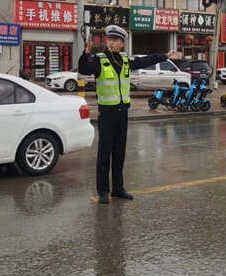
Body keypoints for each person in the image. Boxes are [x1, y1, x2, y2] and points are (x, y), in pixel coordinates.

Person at [78, 25, 182, 204]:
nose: (110, 43)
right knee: (104, 154)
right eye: (109, 39)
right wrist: (86, 53)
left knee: (119, 153)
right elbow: (84, 69)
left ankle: (118, 188)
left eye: (114, 40)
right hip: (107, 114)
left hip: (122, 113)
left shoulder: (125, 60)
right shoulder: (99, 60)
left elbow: (145, 61)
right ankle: (103, 190)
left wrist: (165, 56)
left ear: (122, 44)